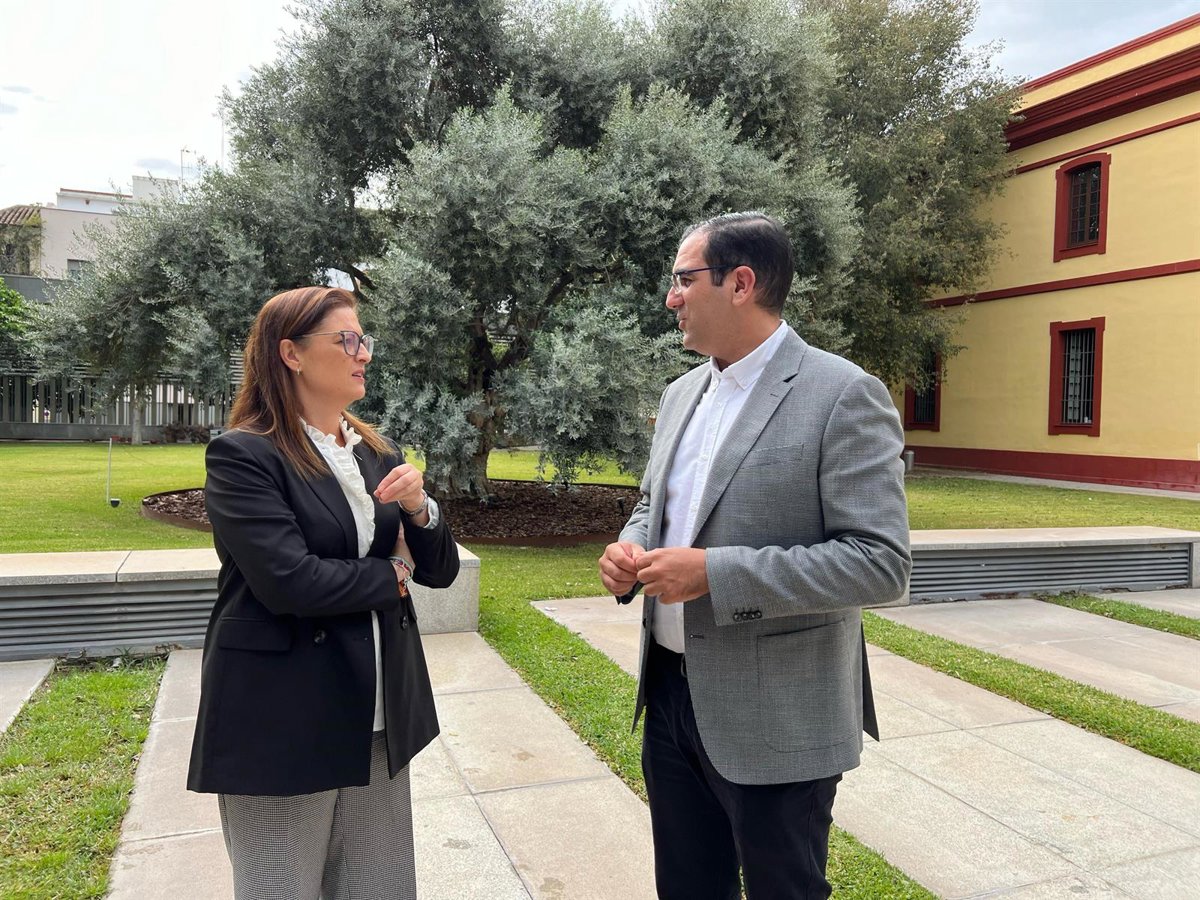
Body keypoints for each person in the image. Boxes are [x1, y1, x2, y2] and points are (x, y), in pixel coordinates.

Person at [598, 212, 911, 899]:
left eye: (683, 280)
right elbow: (655, 503)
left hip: (781, 712)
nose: (671, 298)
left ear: (740, 284)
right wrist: (632, 547)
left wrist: (716, 574)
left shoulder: (843, 394)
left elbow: (880, 562)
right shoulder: (681, 394)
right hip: (670, 696)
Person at [187, 286, 459, 899]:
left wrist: (420, 507)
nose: (364, 353)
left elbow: (439, 570)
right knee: (280, 886)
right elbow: (289, 581)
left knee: (378, 888)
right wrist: (392, 573)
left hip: (377, 714)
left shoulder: (376, 453)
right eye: (347, 340)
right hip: (283, 716)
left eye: (364, 340)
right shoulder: (244, 456)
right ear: (291, 353)